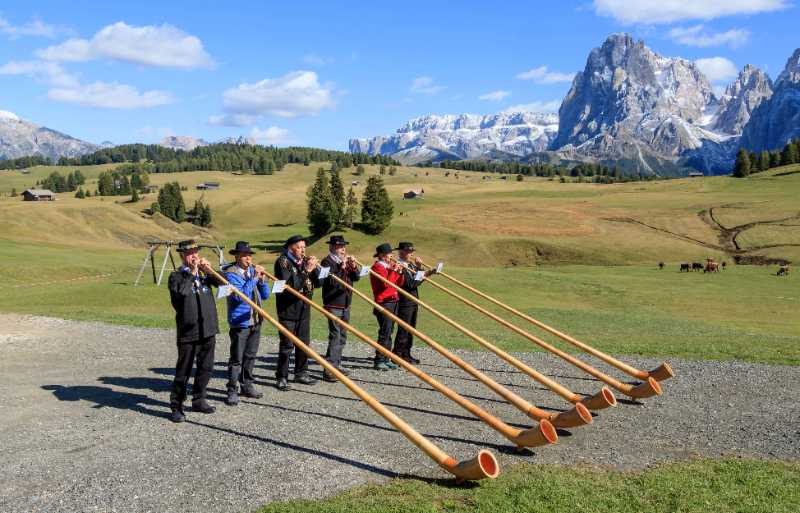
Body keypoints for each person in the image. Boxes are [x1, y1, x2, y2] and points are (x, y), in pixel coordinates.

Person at [167, 240, 223, 423]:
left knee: (206, 368)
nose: (194, 256)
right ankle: (176, 405)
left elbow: (226, 285)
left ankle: (199, 399)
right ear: (182, 256)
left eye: (196, 252)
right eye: (190, 253)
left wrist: (210, 271)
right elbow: (181, 294)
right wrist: (192, 273)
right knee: (183, 371)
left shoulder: (205, 276)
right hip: (189, 332)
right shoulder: (176, 276)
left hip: (208, 329)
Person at [221, 241, 270, 406]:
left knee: (250, 356)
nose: (248, 258)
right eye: (244, 255)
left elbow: (265, 295)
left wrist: (262, 281)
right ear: (236, 256)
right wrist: (255, 278)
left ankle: (247, 385)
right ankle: (232, 389)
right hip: (240, 322)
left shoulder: (251, 271)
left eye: (249, 255)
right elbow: (240, 296)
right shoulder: (230, 273)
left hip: (255, 319)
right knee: (237, 358)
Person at [273, 234, 321, 390]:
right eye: (299, 247)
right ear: (290, 248)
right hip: (288, 309)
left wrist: (316, 269)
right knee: (287, 345)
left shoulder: (303, 262)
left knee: (304, 344)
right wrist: (307, 270)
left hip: (304, 308)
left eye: (304, 247)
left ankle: (301, 372)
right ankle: (282, 376)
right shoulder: (282, 262)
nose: (303, 250)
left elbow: (318, 283)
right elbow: (293, 286)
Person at [320, 235, 361, 382]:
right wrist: (341, 267)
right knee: (335, 336)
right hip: (333, 303)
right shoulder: (326, 261)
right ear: (331, 247)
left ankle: (337, 364)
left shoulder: (345, 261)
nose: (343, 249)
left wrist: (353, 266)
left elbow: (356, 277)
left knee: (342, 336)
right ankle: (329, 370)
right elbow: (330, 281)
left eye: (344, 246)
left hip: (346, 303)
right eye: (339, 246)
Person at [392, 242, 434, 364]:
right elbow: (410, 284)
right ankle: (397, 354)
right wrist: (421, 275)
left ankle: (406, 353)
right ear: (402, 252)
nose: (411, 254)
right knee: (404, 329)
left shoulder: (411, 265)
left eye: (411, 252)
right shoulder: (399, 265)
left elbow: (417, 279)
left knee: (411, 329)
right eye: (409, 252)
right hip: (404, 300)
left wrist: (424, 270)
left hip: (413, 299)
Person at [369, 243, 405, 371]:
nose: (392, 257)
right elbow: (386, 284)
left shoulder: (388, 267)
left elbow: (397, 284)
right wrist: (394, 270)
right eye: (390, 254)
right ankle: (379, 360)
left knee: (389, 332)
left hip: (393, 301)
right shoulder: (377, 267)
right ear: (382, 256)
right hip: (384, 302)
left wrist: (400, 273)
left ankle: (386, 358)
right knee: (384, 332)